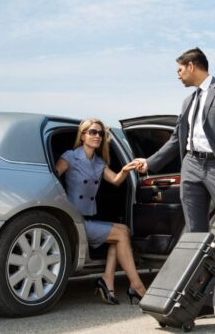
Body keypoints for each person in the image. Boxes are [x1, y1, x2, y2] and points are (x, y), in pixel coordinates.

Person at [135, 47, 215, 319]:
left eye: (180, 70)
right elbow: (175, 140)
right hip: (191, 168)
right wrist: (149, 163)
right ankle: (202, 303)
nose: (178, 76)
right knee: (195, 238)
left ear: (192, 65)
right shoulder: (187, 102)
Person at [55, 118, 147, 305]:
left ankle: (107, 280)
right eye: (92, 132)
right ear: (82, 135)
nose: (97, 136)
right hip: (74, 222)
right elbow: (53, 179)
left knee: (123, 232)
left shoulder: (98, 162)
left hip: (88, 219)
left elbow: (115, 180)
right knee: (121, 234)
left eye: (100, 133)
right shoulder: (70, 157)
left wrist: (125, 169)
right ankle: (137, 286)